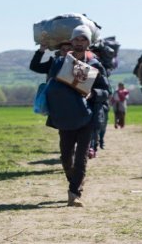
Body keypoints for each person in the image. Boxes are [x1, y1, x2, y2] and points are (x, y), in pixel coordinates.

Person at [29, 25, 111, 207]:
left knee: (81, 158)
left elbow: (107, 91)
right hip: (64, 117)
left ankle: (74, 193)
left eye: (84, 39)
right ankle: (74, 181)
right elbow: (44, 77)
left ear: (88, 43)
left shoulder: (95, 65)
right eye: (77, 39)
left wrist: (93, 94)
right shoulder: (59, 63)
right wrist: (42, 49)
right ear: (71, 41)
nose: (80, 42)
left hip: (87, 117)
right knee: (66, 157)